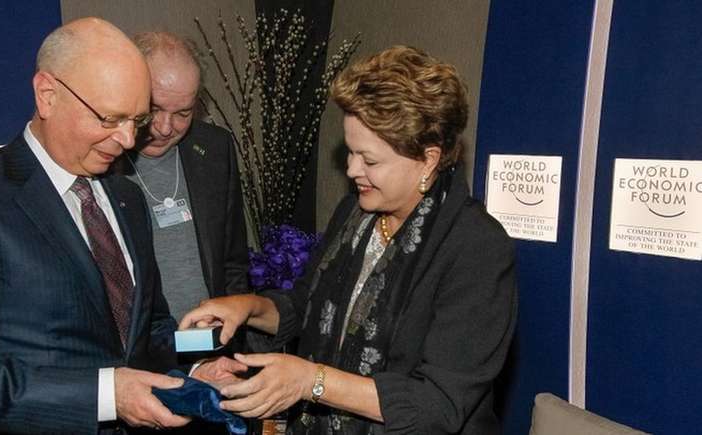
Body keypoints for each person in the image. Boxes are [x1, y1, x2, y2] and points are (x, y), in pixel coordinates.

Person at [180, 45, 518, 434]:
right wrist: (247, 307)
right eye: (351, 152)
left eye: (370, 160)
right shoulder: (355, 214)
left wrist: (311, 381)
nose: (352, 168)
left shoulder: (477, 247)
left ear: (428, 159)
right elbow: (305, 305)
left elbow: (436, 407)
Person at [0, 18, 243, 434]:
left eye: (137, 119)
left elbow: (145, 331)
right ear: (48, 95)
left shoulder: (124, 197)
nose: (129, 140)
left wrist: (197, 364)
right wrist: (107, 395)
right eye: (110, 119)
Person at [114, 31, 248, 321]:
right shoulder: (102, 156)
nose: (165, 128)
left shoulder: (215, 148)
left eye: (183, 113)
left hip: (209, 346)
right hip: (137, 352)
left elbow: (233, 261)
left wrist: (231, 334)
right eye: (154, 109)